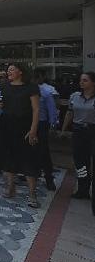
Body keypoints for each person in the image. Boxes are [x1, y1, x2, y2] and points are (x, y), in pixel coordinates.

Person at [0, 64, 41, 208]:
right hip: (7, 124)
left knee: (28, 160)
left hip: (25, 126)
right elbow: (3, 103)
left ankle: (32, 193)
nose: (9, 71)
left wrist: (33, 129)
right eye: (8, 69)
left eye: (12, 69)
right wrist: (1, 105)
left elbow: (36, 109)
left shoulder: (31, 87)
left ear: (20, 72)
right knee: (9, 158)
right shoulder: (4, 86)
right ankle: (10, 188)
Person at [61, 72, 95, 203]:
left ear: (93, 83)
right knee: (80, 162)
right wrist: (63, 129)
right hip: (78, 130)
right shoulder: (75, 96)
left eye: (85, 80)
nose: (82, 82)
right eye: (81, 80)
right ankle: (83, 189)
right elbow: (69, 113)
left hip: (92, 130)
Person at [34, 68, 59, 191]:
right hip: (29, 124)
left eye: (36, 78)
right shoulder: (27, 91)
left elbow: (52, 110)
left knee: (43, 152)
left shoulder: (46, 92)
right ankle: (34, 172)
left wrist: (53, 124)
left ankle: (49, 177)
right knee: (31, 150)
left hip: (42, 124)